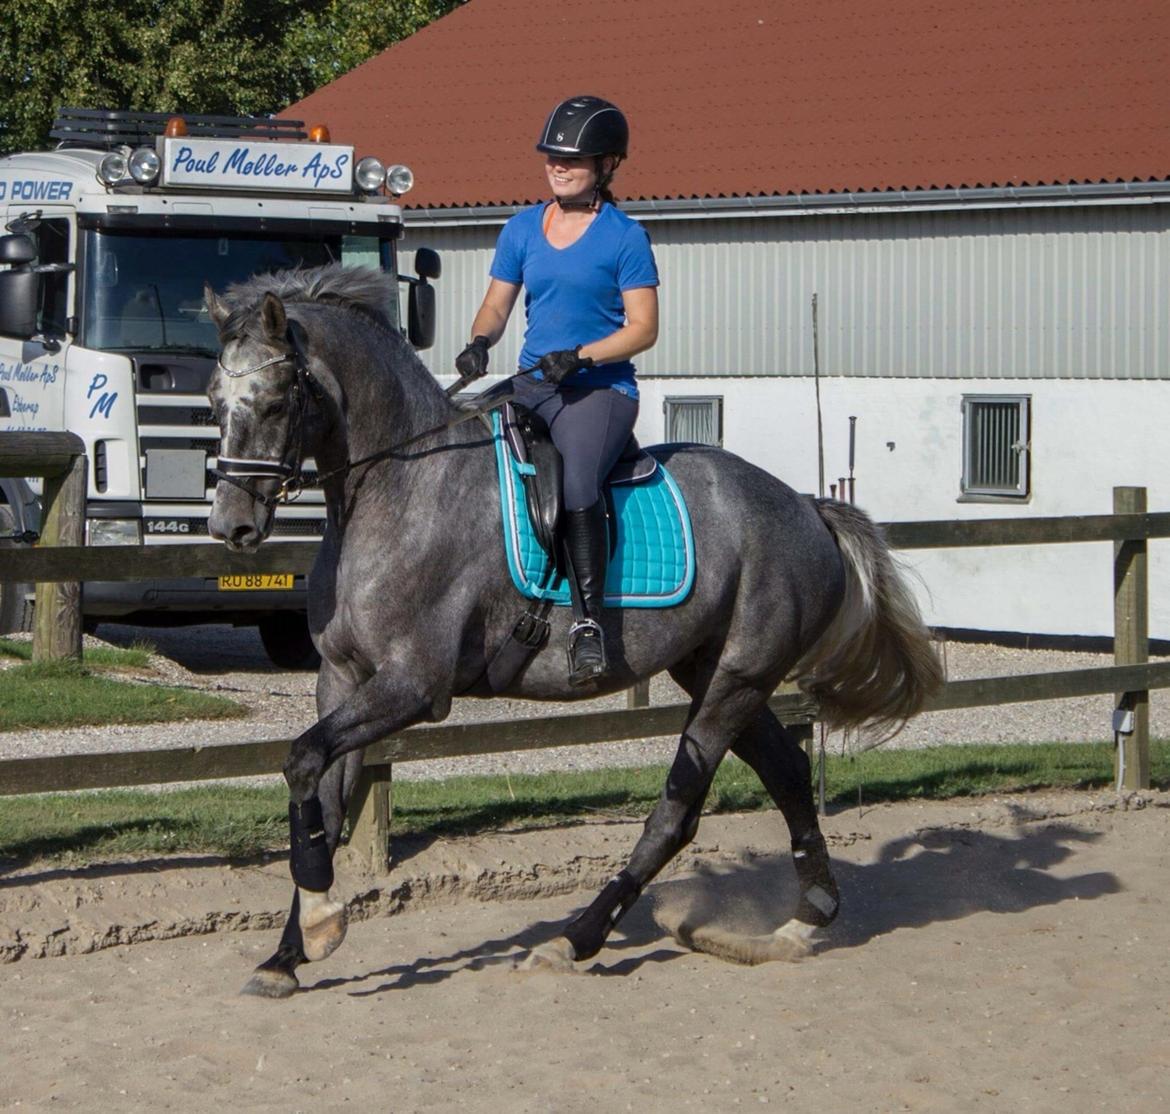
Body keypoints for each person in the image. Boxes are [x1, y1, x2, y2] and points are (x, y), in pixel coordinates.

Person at [456, 95, 660, 686]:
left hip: (599, 391)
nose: (558, 167)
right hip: (534, 382)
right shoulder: (522, 228)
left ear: (606, 165)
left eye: (571, 160)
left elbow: (644, 328)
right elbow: (498, 302)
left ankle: (588, 623)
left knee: (575, 483)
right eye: (551, 157)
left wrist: (582, 356)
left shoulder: (625, 237)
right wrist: (479, 341)